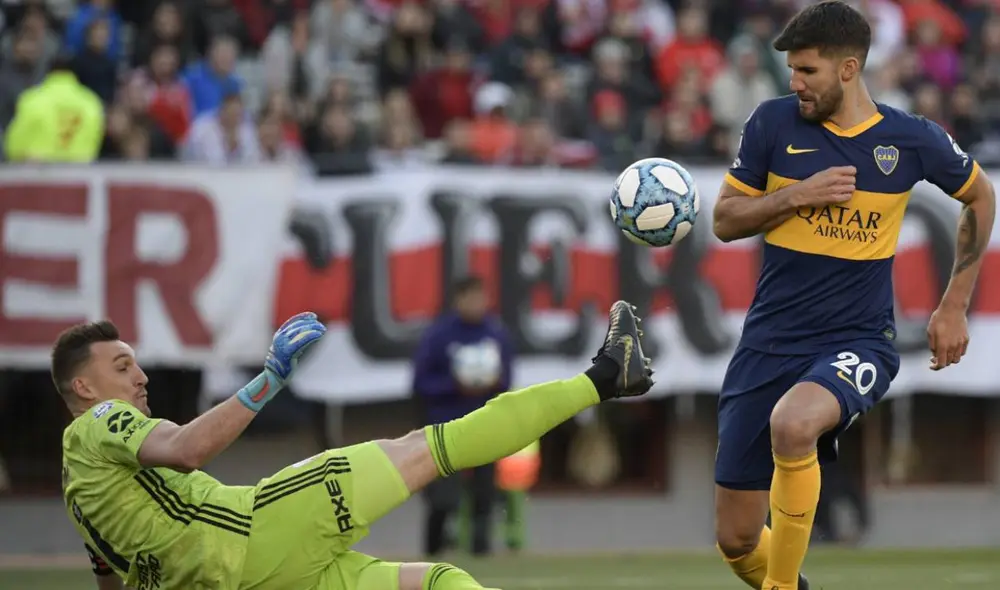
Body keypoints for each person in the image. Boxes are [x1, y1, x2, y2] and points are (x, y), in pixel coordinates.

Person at [57, 303, 651, 590]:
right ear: (85, 388)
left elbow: (112, 578)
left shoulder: (78, 492)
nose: (141, 378)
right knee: (431, 446)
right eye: (122, 366)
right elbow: (185, 449)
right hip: (255, 534)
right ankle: (605, 376)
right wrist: (270, 377)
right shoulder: (99, 420)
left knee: (437, 584)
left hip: (248, 582)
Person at [710, 2, 995, 589]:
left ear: (848, 69)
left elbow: (980, 198)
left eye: (807, 71)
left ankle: (782, 587)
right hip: (768, 341)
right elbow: (725, 220)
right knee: (736, 539)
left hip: (857, 340)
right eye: (790, 70)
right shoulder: (771, 124)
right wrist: (795, 196)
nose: (794, 83)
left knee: (793, 426)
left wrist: (953, 304)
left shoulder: (908, 138)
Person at [412, 275, 514, 557]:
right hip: (447, 426)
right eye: (470, 298)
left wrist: (491, 382)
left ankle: (481, 554)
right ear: (458, 300)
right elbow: (420, 384)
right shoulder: (438, 336)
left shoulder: (496, 335)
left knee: (484, 494)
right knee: (443, 497)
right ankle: (431, 553)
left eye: (481, 297)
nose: (476, 304)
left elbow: (506, 381)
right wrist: (455, 385)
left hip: (484, 425)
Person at [3, 52, 104, 163]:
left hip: (39, 176)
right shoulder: (91, 102)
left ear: (48, 72)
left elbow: (13, 146)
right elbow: (95, 144)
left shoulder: (32, 100)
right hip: (80, 176)